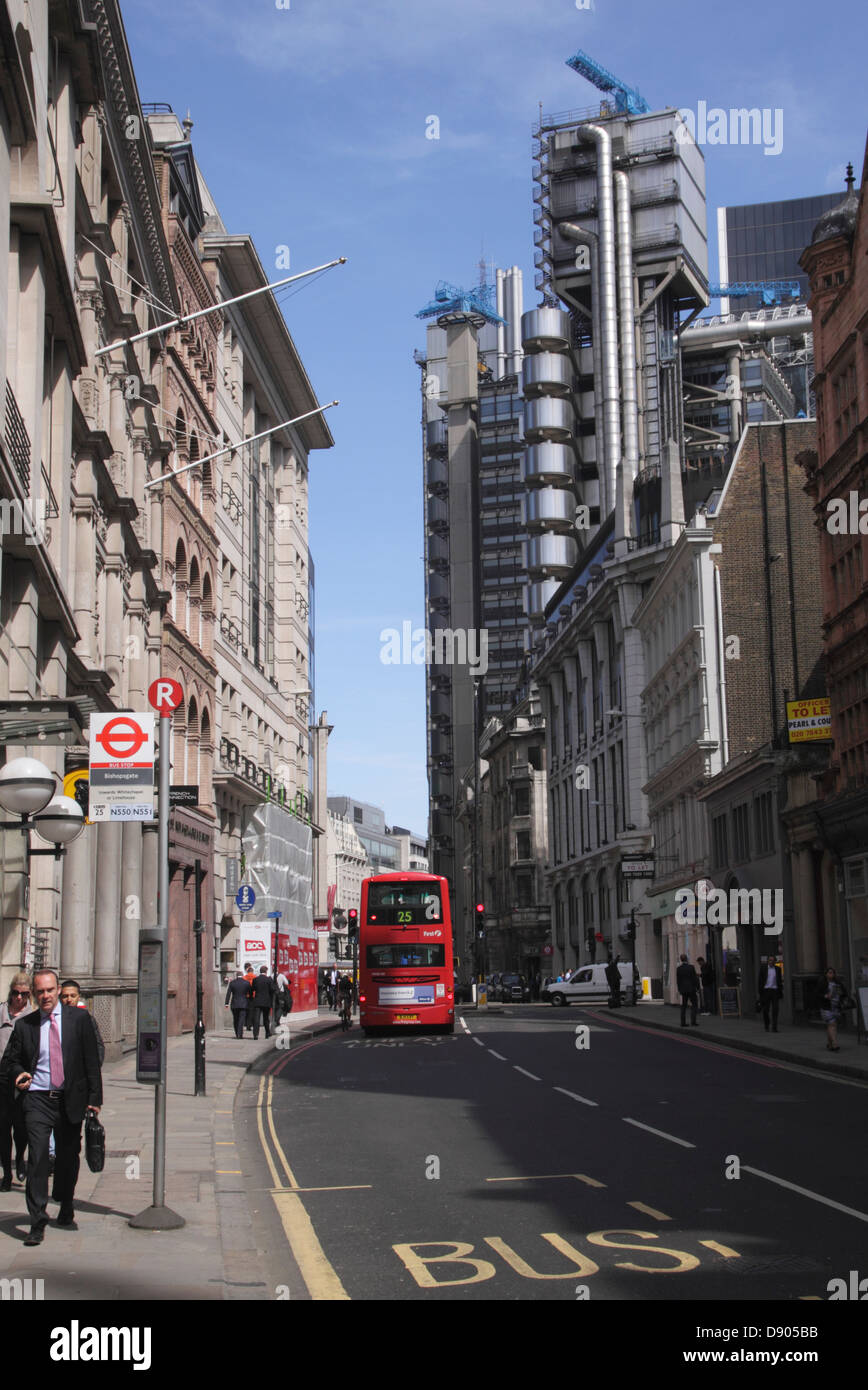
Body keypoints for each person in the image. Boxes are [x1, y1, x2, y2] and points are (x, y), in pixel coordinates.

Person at [0, 968, 102, 1245]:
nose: (45, 996)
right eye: (40, 991)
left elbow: (91, 1060)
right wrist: (19, 1074)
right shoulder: (26, 1025)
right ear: (34, 994)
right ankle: (37, 1221)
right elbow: (9, 1061)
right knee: (38, 1159)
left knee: (68, 1158)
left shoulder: (79, 1019)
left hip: (70, 1099)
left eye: (49, 990)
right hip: (37, 1099)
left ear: (58, 990)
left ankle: (66, 1202)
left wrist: (95, 1100)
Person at [0, 972, 34, 1190]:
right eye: (15, 993)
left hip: (21, 1080)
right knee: (3, 1129)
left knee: (20, 1129)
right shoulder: (1, 1011)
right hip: (1, 1078)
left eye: (24, 994)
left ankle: (20, 1157)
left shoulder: (32, 1017)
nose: (19, 998)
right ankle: (6, 1174)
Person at [59, 980, 106, 1065]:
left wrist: (94, 1066)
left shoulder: (87, 1019)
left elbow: (98, 1046)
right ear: (60, 998)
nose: (69, 999)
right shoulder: (55, 1019)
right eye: (65, 996)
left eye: (73, 996)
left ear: (79, 997)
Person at [818, 967, 850, 1051]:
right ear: (826, 974)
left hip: (836, 1007)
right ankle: (835, 1043)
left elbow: (844, 993)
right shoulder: (822, 983)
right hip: (826, 1007)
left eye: (832, 973)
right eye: (829, 973)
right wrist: (825, 996)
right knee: (832, 1024)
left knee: (830, 1025)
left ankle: (830, 1044)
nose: (831, 974)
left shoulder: (838, 983)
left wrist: (843, 998)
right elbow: (817, 994)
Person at [757, 955, 783, 1033]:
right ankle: (767, 1025)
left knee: (775, 1009)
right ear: (767, 961)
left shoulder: (778, 969)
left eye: (772, 960)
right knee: (766, 1010)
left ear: (775, 961)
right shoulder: (763, 969)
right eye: (770, 960)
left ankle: (774, 1027)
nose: (771, 962)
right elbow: (760, 981)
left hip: (775, 991)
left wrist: (780, 991)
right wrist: (761, 992)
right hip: (766, 991)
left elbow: (779, 981)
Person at [251, 966, 276, 1039]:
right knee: (266, 1018)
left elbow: (253, 989)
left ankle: (255, 1035)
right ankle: (267, 1033)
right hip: (266, 1001)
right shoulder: (269, 980)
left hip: (257, 1001)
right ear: (266, 971)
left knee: (256, 1019)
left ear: (260, 971)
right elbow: (272, 989)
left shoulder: (255, 979)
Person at [225, 972, 251, 1039]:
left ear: (236, 976)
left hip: (234, 1003)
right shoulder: (246, 983)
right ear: (242, 976)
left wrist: (226, 1003)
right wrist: (249, 1001)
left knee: (235, 1019)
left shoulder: (232, 983)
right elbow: (250, 993)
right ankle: (240, 1034)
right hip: (244, 1003)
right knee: (241, 1019)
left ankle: (237, 1033)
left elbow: (228, 993)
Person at [676, 954, 700, 1027]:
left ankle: (683, 1022)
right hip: (691, 989)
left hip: (683, 990)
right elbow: (694, 978)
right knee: (694, 1004)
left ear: (681, 960)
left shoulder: (679, 969)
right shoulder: (691, 967)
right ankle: (693, 1021)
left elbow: (678, 980)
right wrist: (698, 988)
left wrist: (679, 989)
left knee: (684, 1006)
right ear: (687, 959)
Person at [243, 962, 256, 1032]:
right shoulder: (255, 977)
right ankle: (250, 1025)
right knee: (252, 1011)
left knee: (246, 1010)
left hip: (245, 996)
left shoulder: (244, 978)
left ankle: (246, 1024)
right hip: (253, 996)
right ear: (252, 971)